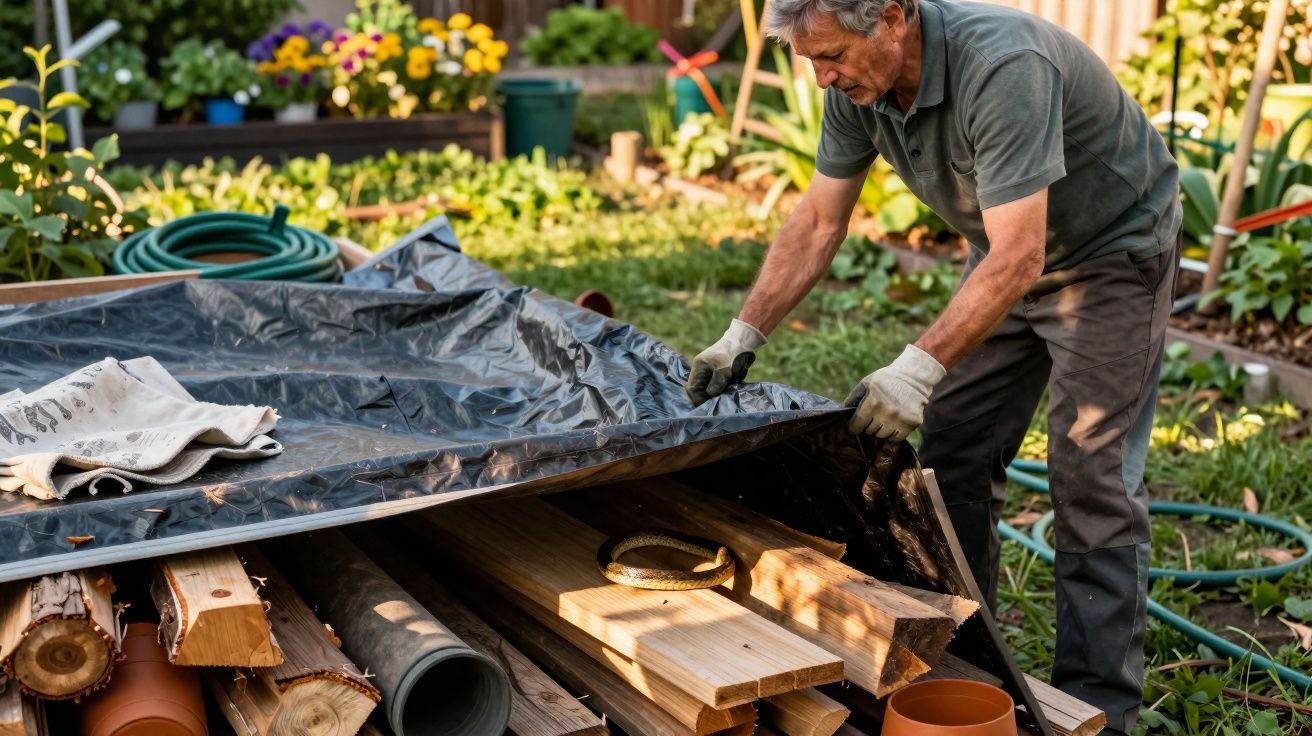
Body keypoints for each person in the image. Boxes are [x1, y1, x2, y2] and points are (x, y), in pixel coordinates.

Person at [683, 1, 1181, 733]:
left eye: (832, 55)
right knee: (953, 452)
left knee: (1091, 475)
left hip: (1110, 253)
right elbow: (821, 219)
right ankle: (967, 656)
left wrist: (916, 368)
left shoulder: (1003, 65)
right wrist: (741, 332)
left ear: (892, 17)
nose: (822, 76)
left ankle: (1100, 706)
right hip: (1006, 253)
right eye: (809, 60)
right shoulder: (857, 86)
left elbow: (1022, 254)